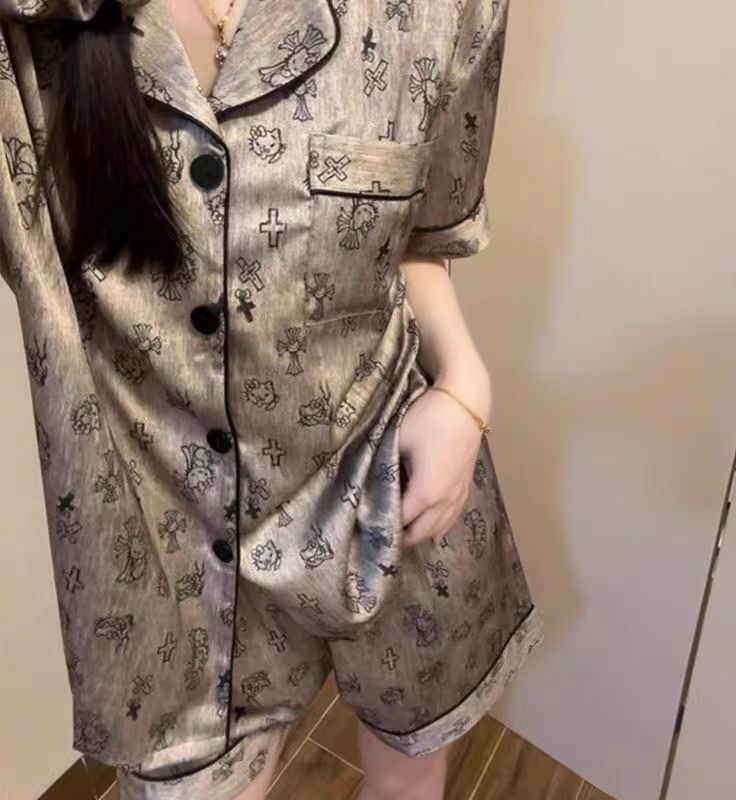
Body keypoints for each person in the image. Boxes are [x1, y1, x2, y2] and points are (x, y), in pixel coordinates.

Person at [0, 0, 544, 798]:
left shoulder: (444, 12)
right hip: (173, 563)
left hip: (387, 488)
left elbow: (419, 240)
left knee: (407, 783)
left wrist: (464, 384)